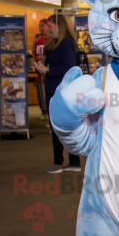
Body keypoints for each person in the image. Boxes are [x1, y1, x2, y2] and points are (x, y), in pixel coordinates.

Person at [35, 14, 81, 174]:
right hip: (54, 89)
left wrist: (48, 70)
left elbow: (70, 67)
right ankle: (70, 162)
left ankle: (60, 162)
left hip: (60, 92)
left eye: (50, 26)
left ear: (59, 26)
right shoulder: (56, 43)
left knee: (60, 128)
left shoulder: (66, 43)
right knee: (61, 128)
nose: (48, 30)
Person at [32, 19, 50, 120]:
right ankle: (43, 110)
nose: (41, 27)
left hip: (46, 69)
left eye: (43, 25)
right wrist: (34, 43)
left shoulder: (50, 39)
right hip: (38, 69)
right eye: (40, 25)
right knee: (40, 92)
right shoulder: (37, 39)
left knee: (46, 91)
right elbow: (33, 52)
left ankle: (47, 112)